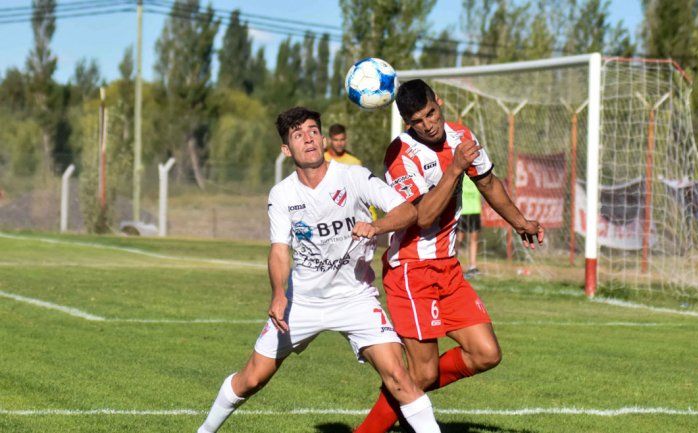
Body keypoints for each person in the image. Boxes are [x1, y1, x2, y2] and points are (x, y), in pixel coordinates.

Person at [197, 107, 441, 433]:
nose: (308, 139)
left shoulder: (352, 177)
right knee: (252, 378)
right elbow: (280, 250)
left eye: (313, 131)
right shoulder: (282, 194)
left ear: (323, 138)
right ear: (287, 149)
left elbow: (407, 210)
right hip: (303, 302)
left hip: (355, 298)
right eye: (298, 135)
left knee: (399, 376)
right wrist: (278, 295)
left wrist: (378, 225)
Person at [355, 80, 544, 433]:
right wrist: (455, 168)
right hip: (411, 270)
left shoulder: (461, 136)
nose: (428, 124)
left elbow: (487, 183)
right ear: (406, 123)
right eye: (417, 120)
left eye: (431, 113)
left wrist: (520, 222)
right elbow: (422, 216)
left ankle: (403, 390)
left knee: (486, 353)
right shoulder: (400, 155)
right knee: (423, 374)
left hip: (449, 268)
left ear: (438, 102)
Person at [458, 174, 482, 278]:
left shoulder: (477, 169)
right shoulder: (460, 169)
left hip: (475, 208)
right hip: (462, 209)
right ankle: (453, 262)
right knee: (458, 238)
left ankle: (472, 266)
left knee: (474, 238)